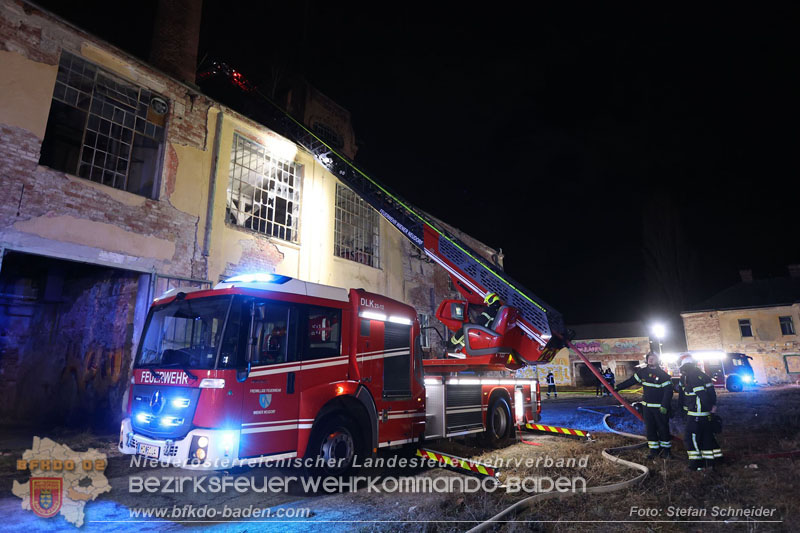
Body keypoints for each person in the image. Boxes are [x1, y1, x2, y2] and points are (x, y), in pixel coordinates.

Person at [615, 352, 673, 458]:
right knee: (650, 429)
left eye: (653, 358)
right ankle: (654, 452)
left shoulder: (663, 375)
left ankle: (666, 452)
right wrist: (617, 387)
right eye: (649, 358)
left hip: (659, 408)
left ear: (657, 360)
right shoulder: (643, 372)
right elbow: (631, 381)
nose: (650, 360)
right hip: (647, 408)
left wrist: (664, 405)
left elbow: (668, 392)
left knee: (663, 428)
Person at [677, 353, 722, 471]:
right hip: (704, 415)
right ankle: (711, 462)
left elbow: (701, 394)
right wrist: (712, 408)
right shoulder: (703, 375)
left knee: (690, 438)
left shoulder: (691, 376)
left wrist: (708, 407)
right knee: (706, 438)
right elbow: (712, 394)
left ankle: (696, 464)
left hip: (696, 414)